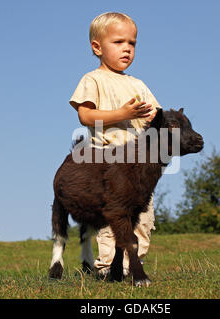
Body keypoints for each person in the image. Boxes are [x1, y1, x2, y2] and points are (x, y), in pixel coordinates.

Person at [69, 12, 162, 277]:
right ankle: (108, 267)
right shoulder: (93, 80)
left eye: (132, 43)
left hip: (139, 166)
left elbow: (157, 116)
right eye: (119, 42)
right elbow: (85, 116)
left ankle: (132, 265)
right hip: (109, 163)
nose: (127, 49)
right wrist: (122, 115)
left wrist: (155, 117)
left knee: (142, 219)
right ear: (97, 47)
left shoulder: (138, 84)